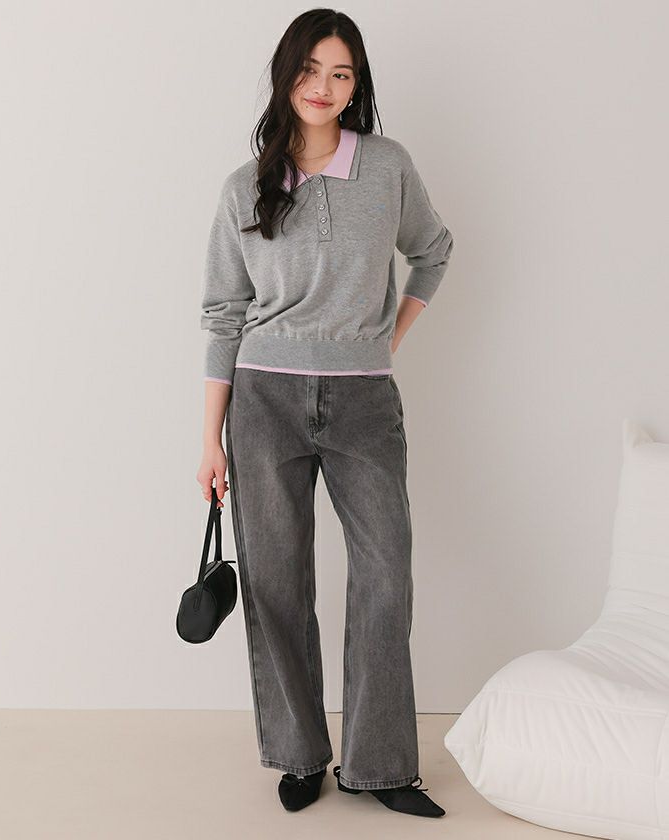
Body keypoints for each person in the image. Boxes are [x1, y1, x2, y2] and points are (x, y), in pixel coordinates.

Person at [197, 8, 454, 819]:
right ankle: (299, 755)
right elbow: (223, 314)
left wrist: (387, 337)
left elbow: (434, 250)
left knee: (385, 575)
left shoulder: (387, 165)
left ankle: (381, 767)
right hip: (263, 400)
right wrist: (209, 438)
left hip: (364, 400)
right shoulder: (244, 187)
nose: (324, 86)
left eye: (341, 73)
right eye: (311, 69)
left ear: (356, 85)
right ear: (287, 75)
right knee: (275, 579)